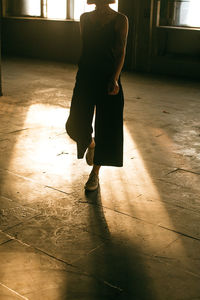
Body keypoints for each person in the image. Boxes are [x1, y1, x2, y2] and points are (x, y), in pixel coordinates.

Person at [66, 0, 128, 191]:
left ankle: (95, 174)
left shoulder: (120, 20)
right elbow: (86, 49)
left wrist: (115, 78)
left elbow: (120, 52)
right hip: (86, 75)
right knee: (75, 123)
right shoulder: (85, 18)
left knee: (107, 128)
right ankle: (91, 143)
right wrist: (81, 74)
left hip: (108, 78)